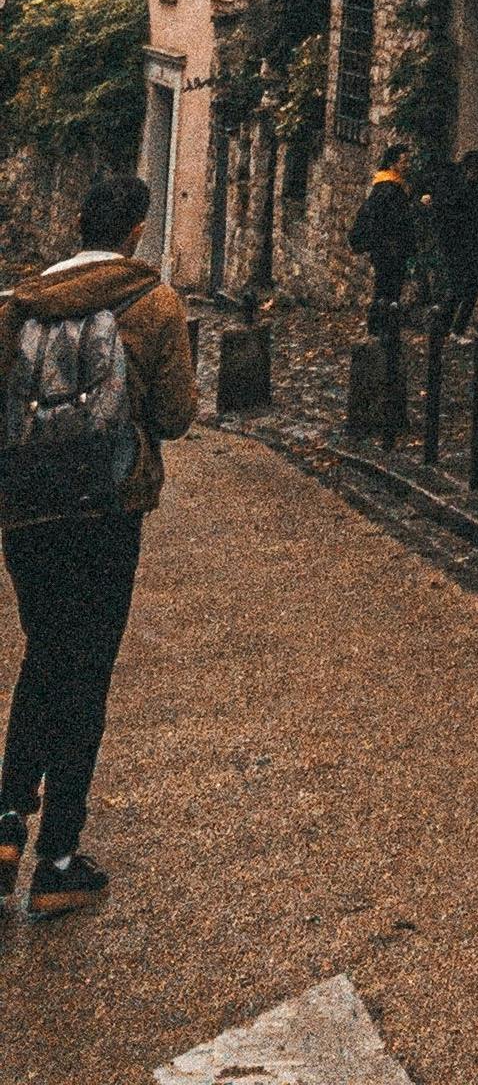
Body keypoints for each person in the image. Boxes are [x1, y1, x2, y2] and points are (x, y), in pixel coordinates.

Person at [0, 171, 199, 916]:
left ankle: (6, 821)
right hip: (107, 508)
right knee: (87, 670)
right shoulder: (153, 302)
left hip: (25, 511)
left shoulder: (20, 303)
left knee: (45, 654)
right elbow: (176, 415)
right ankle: (58, 859)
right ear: (133, 232)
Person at [426, 150, 478, 328]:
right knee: (457, 285)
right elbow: (444, 208)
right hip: (455, 240)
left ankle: (456, 328)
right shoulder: (451, 180)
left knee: (471, 285)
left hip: (472, 239)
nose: (476, 174)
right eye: (476, 170)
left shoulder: (477, 182)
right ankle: (446, 327)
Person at [348, 154, 420, 328]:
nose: (408, 165)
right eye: (404, 161)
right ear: (392, 164)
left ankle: (381, 326)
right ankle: (380, 327)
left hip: (387, 246)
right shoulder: (388, 188)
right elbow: (393, 219)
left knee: (385, 287)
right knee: (387, 288)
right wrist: (417, 207)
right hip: (389, 246)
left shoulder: (391, 184)